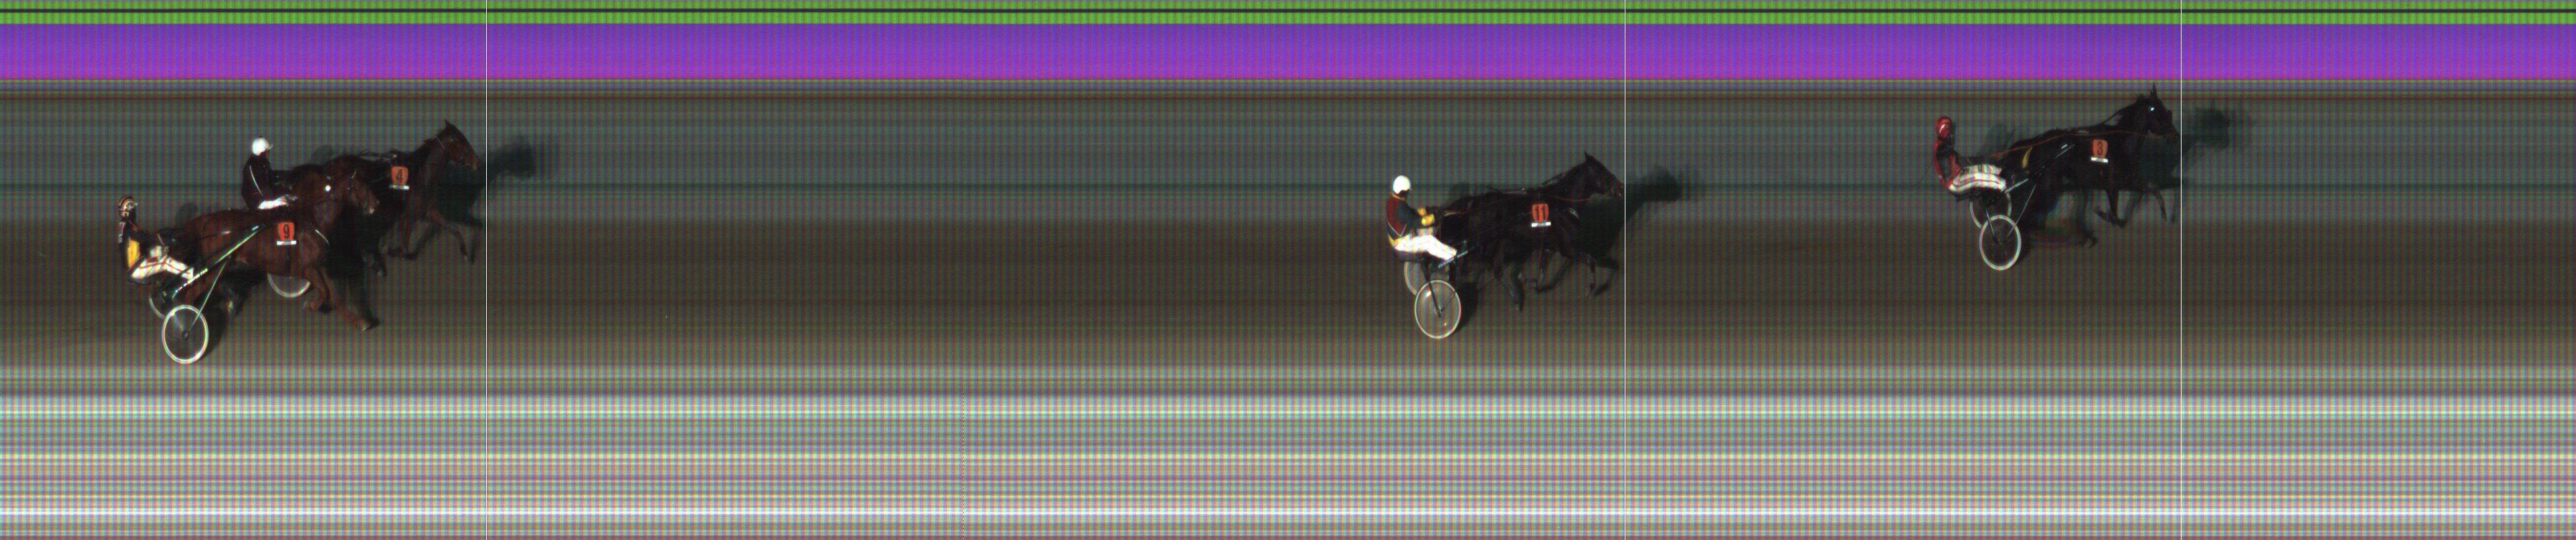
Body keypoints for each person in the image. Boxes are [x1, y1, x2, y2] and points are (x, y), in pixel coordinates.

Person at [1383, 175, 1459, 263]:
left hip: (1405, 235)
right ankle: (1454, 256)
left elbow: (1411, 213)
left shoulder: (1393, 200)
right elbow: (1418, 222)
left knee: (1431, 230)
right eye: (1407, 192)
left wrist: (1428, 210)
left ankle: (1436, 253)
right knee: (1429, 241)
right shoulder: (1400, 207)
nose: (1408, 194)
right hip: (1403, 243)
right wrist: (1435, 217)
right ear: (1403, 192)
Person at [239, 137, 291, 210]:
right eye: (268, 151)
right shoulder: (254, 166)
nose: (268, 153)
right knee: (291, 201)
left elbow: (271, 176)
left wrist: (290, 175)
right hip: (259, 202)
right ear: (263, 152)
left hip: (264, 198)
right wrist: (285, 189)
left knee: (292, 197)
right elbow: (266, 193)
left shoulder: (261, 163)